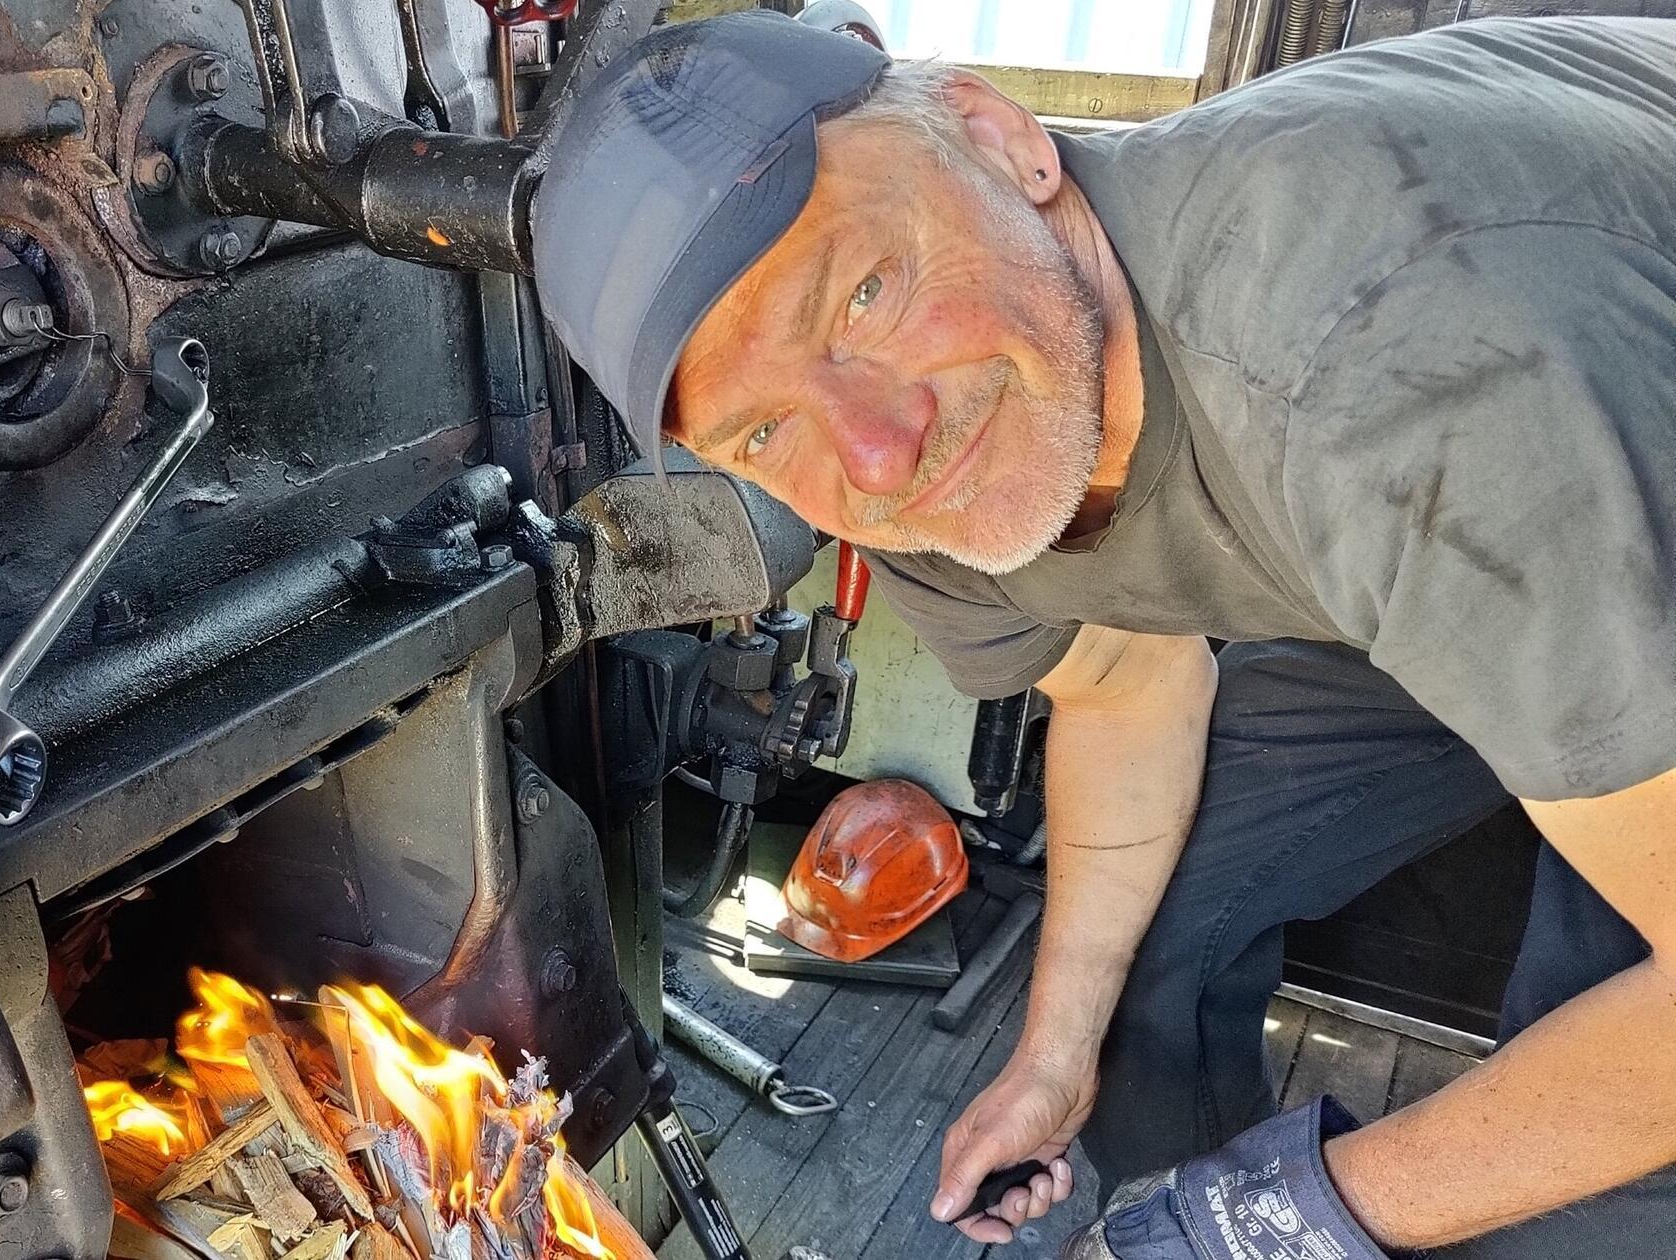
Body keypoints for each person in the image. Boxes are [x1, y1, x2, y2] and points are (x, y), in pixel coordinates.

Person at [531, 10, 1676, 1259]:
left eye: (864, 293)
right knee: (1148, 946)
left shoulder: (1388, 361)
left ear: (998, 140)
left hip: (1589, 424)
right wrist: (1052, 1060)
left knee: (1595, 1147)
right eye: (762, 431)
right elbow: (1127, 686)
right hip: (1463, 532)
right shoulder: (915, 482)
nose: (877, 451)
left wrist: (1270, 1220)